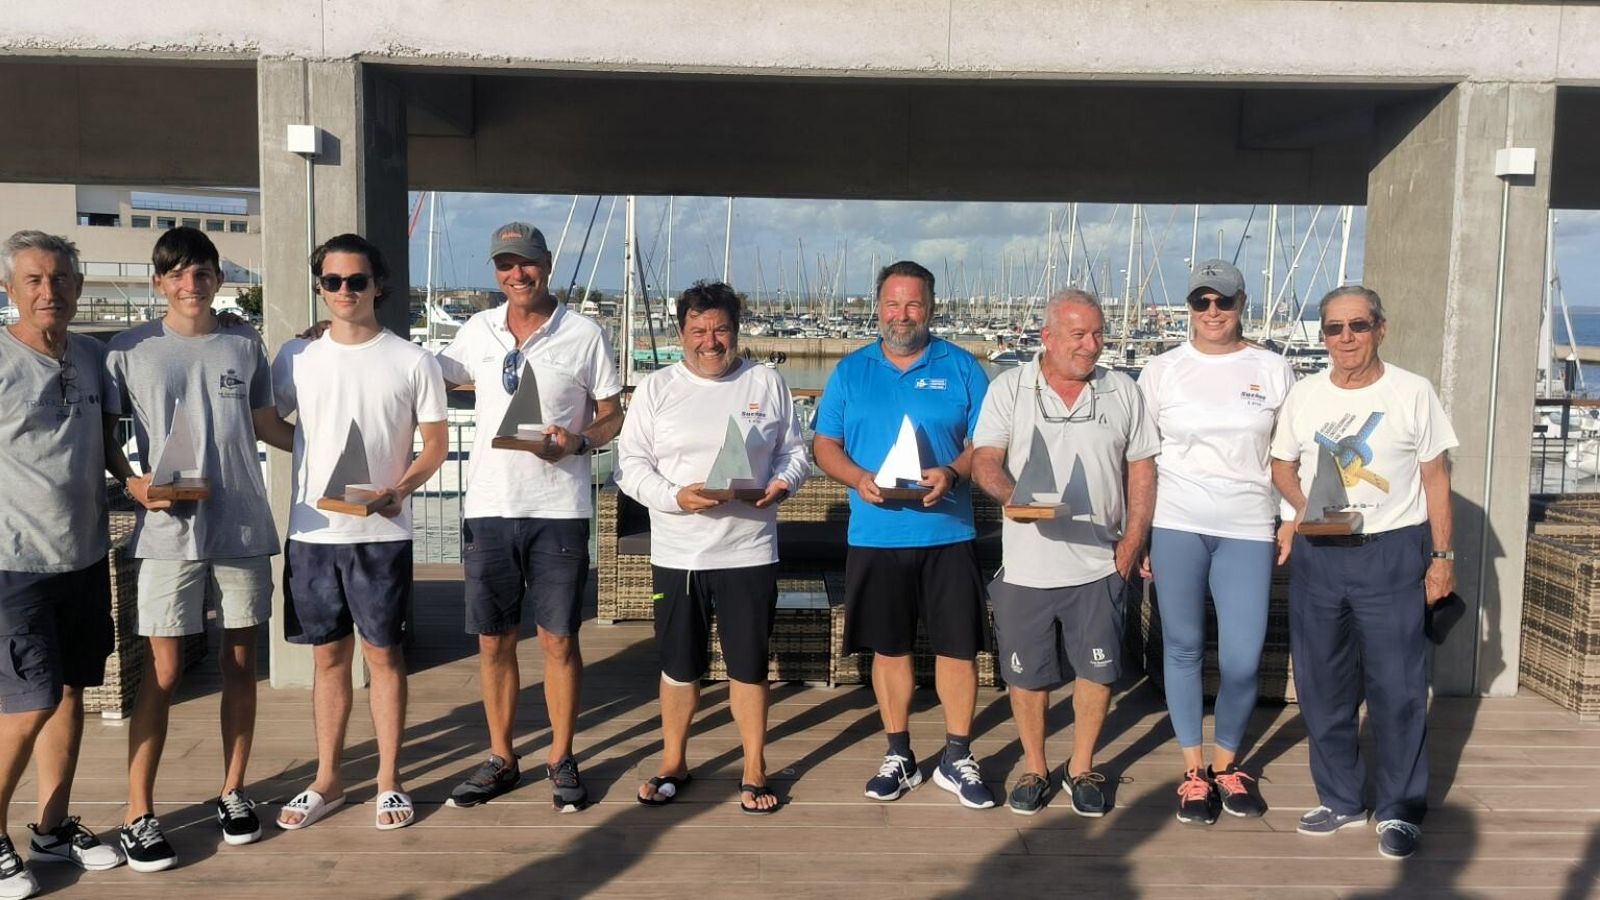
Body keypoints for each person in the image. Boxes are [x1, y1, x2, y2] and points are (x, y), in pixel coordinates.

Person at [104, 227, 294, 870]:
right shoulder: (128, 350)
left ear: (219, 278)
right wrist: (132, 482)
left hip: (241, 524)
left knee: (242, 664)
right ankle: (139, 812)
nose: (192, 284)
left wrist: (338, 456)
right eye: (178, 273)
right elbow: (105, 435)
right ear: (159, 281)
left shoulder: (245, 342)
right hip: (166, 533)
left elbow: (269, 423)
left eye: (203, 272)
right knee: (161, 674)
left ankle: (233, 792)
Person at [435, 222, 624, 812]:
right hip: (489, 507)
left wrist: (576, 441)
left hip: (559, 511)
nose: (517, 274)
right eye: (505, 264)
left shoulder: (585, 333)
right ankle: (501, 757)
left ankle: (561, 756)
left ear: (548, 263)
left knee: (559, 640)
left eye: (527, 263)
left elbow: (613, 414)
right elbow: (421, 376)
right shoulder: (477, 329)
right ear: (496, 271)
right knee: (493, 643)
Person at [1271, 285, 1457, 861]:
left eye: (1358, 325)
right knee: (1322, 685)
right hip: (1320, 556)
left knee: (1398, 688)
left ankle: (1401, 809)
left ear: (1381, 328)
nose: (1346, 338)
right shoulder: (1304, 395)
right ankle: (1342, 800)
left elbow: (1436, 479)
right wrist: (1304, 512)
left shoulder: (1413, 392)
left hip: (1392, 551)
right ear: (1322, 334)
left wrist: (1443, 558)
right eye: (1334, 328)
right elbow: (1280, 465)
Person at [270, 234, 448, 832]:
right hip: (313, 532)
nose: (345, 291)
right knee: (327, 659)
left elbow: (436, 446)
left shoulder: (412, 359)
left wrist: (402, 488)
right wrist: (309, 459)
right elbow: (268, 419)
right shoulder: (295, 357)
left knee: (384, 655)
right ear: (320, 286)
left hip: (383, 533)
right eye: (332, 281)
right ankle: (328, 778)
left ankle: (389, 778)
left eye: (357, 280)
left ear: (378, 284)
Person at [616, 280, 810, 814]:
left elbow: (795, 453)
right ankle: (673, 760)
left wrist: (783, 486)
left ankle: (754, 767)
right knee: (679, 666)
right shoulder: (656, 388)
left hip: (748, 551)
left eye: (721, 329)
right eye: (699, 330)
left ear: (735, 331)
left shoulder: (767, 382)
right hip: (679, 555)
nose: (711, 340)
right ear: (682, 333)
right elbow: (629, 468)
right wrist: (675, 497)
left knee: (749, 666)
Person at [813, 260, 995, 810]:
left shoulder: (963, 368)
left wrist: (954, 471)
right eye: (893, 304)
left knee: (957, 647)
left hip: (948, 532)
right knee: (888, 647)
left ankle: (957, 755)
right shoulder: (851, 371)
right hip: (875, 533)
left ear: (931, 307)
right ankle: (899, 753)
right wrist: (858, 479)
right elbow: (826, 446)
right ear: (878, 306)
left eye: (913, 304)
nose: (902, 315)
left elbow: (987, 444)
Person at [971, 289, 1158, 817]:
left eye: (1098, 333)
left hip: (1101, 562)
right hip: (1027, 566)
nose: (1092, 345)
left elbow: (1142, 467)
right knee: (1027, 677)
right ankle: (1034, 767)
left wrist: (1133, 539)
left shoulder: (1122, 389)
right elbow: (986, 460)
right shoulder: (1010, 387)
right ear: (1047, 337)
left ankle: (1082, 767)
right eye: (1079, 335)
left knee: (1098, 673)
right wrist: (1016, 500)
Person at [1137, 260, 1295, 824]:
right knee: (1180, 647)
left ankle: (1229, 765)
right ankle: (1193, 772)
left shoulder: (1274, 369)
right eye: (1201, 302)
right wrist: (1142, 531)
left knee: (1242, 657)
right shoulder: (1161, 370)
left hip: (1249, 527)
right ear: (1189, 307)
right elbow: (1143, 459)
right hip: (1176, 522)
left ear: (1241, 304)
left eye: (1222, 302)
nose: (1211, 313)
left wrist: (1295, 517)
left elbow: (1289, 453)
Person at [0, 231, 125, 899]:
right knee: (28, 703)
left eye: (60, 280)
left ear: (78, 287)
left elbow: (108, 446)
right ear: (10, 288)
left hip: (82, 555)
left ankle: (50, 830)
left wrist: (135, 481)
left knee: (72, 690)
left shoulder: (93, 356)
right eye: (34, 280)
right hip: (11, 563)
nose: (49, 291)